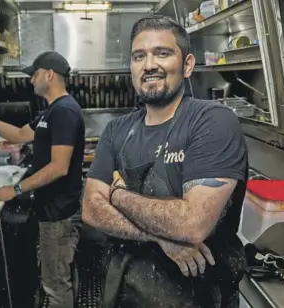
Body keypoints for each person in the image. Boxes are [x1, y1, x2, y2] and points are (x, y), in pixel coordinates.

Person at [82, 15, 248, 308]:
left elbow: (192, 224)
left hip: (200, 295)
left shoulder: (212, 121)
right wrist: (160, 238)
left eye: (162, 53)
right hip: (126, 291)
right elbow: (92, 210)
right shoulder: (116, 130)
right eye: (139, 56)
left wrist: (118, 195)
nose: (149, 65)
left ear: (187, 65)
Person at [0, 51, 85, 308]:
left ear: (49, 75)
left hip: (59, 213)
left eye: (35, 74)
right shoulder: (51, 111)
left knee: (55, 283)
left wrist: (16, 189)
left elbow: (59, 167)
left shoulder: (64, 111)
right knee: (60, 274)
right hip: (51, 209)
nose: (31, 80)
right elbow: (20, 134)